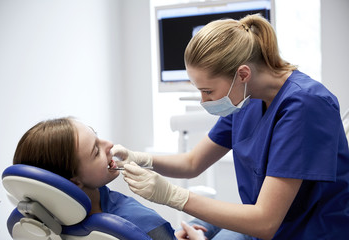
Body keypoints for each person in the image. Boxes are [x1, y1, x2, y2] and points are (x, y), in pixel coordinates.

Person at [112, 14, 349, 240]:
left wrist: (172, 196)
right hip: (268, 225)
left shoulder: (306, 105)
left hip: (306, 231)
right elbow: (193, 163)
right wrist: (141, 158)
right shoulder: (246, 98)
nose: (203, 101)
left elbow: (265, 222)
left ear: (242, 74)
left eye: (208, 91)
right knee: (199, 225)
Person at [13, 117, 206, 240]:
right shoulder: (136, 221)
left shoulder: (46, 223)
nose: (110, 144)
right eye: (96, 151)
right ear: (74, 182)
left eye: (97, 136)